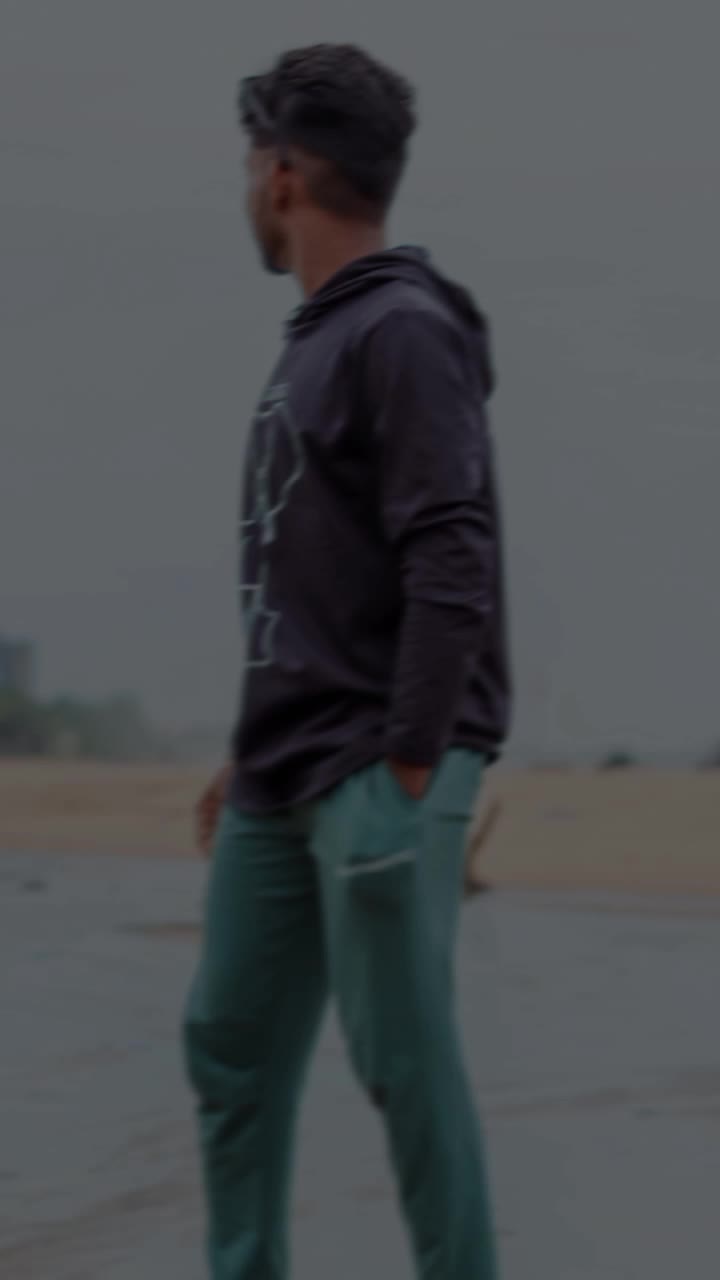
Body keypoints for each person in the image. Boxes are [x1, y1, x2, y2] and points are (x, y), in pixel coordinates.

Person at [183, 43, 512, 1280]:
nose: (245, 186)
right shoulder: (324, 335)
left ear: (281, 173)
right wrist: (252, 743)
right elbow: (319, 579)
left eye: (247, 163)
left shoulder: (404, 329)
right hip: (285, 766)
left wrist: (412, 763)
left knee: (404, 1065)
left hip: (381, 762)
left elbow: (451, 553)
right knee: (227, 1041)